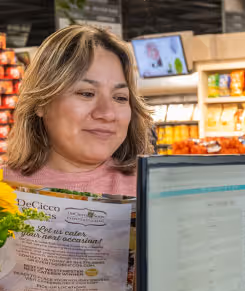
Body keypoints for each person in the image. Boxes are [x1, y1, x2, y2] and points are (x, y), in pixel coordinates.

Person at [3, 25, 153, 197]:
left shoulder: (153, 189)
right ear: (41, 103)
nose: (107, 113)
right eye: (86, 94)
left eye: (120, 98)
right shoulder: (5, 189)